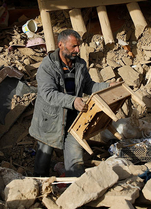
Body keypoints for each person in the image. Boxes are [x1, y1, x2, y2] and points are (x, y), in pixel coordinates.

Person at [29, 29, 110, 177]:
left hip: (73, 118)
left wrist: (107, 86)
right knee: (44, 153)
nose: (78, 50)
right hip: (51, 119)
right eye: (74, 46)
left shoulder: (80, 64)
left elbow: (88, 86)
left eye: (78, 46)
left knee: (75, 151)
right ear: (61, 45)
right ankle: (39, 184)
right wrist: (73, 101)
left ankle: (75, 186)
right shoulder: (47, 66)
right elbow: (48, 94)